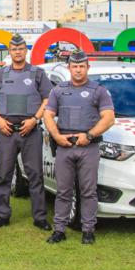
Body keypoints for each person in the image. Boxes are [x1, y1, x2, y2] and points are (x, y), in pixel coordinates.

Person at [43, 50, 115, 245]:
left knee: (88, 191)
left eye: (81, 66)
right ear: (69, 68)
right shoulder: (58, 90)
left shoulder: (98, 90)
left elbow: (109, 118)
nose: (78, 70)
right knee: (63, 191)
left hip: (88, 146)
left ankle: (88, 230)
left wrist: (90, 135)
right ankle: (59, 230)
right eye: (74, 66)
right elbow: (48, 115)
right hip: (65, 146)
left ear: (87, 68)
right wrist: (56, 136)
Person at [0, 34, 53, 231]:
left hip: (30, 131)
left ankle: (39, 218)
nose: (17, 52)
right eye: (14, 49)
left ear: (25, 50)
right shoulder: (1, 74)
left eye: (21, 48)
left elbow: (48, 99)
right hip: (6, 132)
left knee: (35, 175)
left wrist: (34, 119)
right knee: (4, 175)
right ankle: (2, 215)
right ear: (10, 52)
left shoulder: (37, 73)